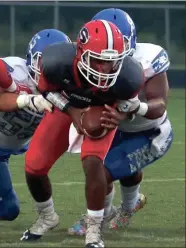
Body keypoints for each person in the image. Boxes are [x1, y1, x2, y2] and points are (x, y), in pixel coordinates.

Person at [20, 19, 145, 248]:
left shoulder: (129, 75)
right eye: (98, 60)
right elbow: (47, 91)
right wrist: (72, 110)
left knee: (93, 162)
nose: (104, 69)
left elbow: (131, 107)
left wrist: (121, 116)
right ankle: (47, 216)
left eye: (111, 62)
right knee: (34, 165)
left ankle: (94, 230)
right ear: (80, 53)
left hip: (104, 109)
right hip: (67, 104)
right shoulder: (56, 61)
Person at [67, 8, 173, 236]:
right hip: (116, 128)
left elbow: (159, 105)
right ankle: (128, 205)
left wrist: (133, 108)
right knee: (118, 169)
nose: (107, 54)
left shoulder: (147, 60)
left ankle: (99, 218)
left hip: (150, 132)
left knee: (104, 171)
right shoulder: (87, 62)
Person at [0, 20, 71, 229]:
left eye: (56, 62)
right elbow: (0, 100)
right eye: (44, 61)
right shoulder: (14, 69)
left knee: (9, 210)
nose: (49, 68)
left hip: (1, 153)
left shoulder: (66, 87)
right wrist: (28, 99)